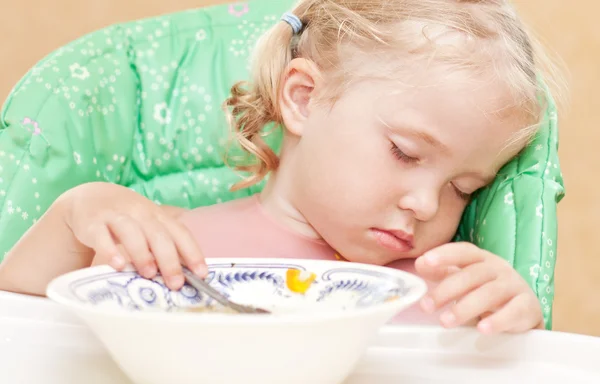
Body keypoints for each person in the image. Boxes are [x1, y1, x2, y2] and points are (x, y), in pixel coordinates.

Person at [0, 0, 560, 334]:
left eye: (464, 189)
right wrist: (77, 213)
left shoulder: (442, 294)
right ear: (303, 100)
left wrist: (512, 324)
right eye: (405, 154)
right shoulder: (170, 248)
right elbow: (20, 325)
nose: (427, 204)